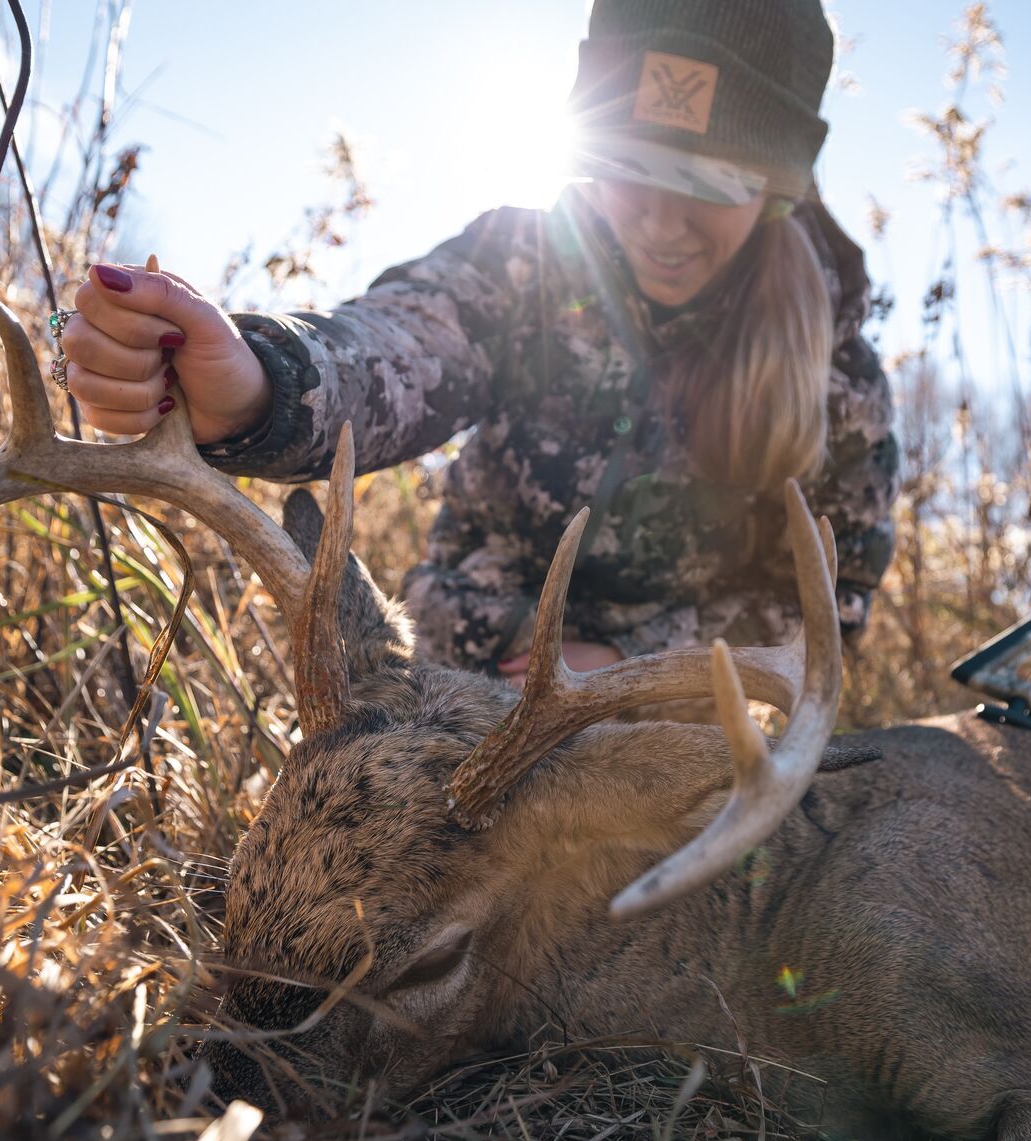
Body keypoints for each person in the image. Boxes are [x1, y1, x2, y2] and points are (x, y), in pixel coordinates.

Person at [57, 0, 897, 681]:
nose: (658, 222)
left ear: (779, 191)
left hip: (687, 730)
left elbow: (831, 600)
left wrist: (635, 671)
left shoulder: (836, 371)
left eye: (713, 180)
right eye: (629, 166)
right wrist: (257, 382)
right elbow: (401, 344)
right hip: (470, 678)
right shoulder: (521, 262)